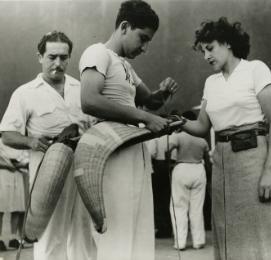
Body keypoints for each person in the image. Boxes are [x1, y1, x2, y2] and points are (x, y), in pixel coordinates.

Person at [182, 17, 271, 259]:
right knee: (228, 234)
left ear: (228, 43)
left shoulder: (255, 69)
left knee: (262, 234)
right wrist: (177, 123)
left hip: (255, 160)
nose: (206, 56)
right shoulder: (211, 82)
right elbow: (201, 126)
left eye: (210, 48)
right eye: (202, 51)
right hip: (222, 166)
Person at [78, 1, 179, 259]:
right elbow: (89, 99)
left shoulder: (125, 65)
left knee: (140, 229)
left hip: (134, 150)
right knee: (118, 233)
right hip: (111, 151)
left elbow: (150, 100)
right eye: (142, 38)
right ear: (124, 26)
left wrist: (163, 92)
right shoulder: (97, 52)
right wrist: (144, 117)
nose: (145, 48)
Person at [0, 31, 96, 260]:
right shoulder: (25, 93)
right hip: (47, 171)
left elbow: (94, 124)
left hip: (82, 168)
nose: (58, 63)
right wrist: (31, 141)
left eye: (64, 58)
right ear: (40, 57)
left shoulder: (81, 88)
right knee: (50, 235)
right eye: (52, 57)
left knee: (84, 232)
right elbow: (6, 134)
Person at [168, 110, 209, 250]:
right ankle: (198, 241)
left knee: (179, 206)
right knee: (197, 208)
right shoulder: (202, 140)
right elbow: (207, 159)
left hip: (182, 168)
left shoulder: (179, 137)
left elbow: (167, 149)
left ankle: (180, 242)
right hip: (198, 169)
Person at [0, 137, 28, 251]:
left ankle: (13, 238)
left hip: (18, 174)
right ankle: (0, 238)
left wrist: (20, 164)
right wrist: (7, 165)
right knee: (0, 208)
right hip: (2, 174)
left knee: (17, 207)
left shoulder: (19, 141)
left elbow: (26, 157)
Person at [147, 132, 176, 239]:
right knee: (168, 197)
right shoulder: (173, 136)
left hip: (159, 166)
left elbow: (151, 152)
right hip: (172, 164)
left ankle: (163, 228)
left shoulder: (156, 138)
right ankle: (170, 226)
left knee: (159, 198)